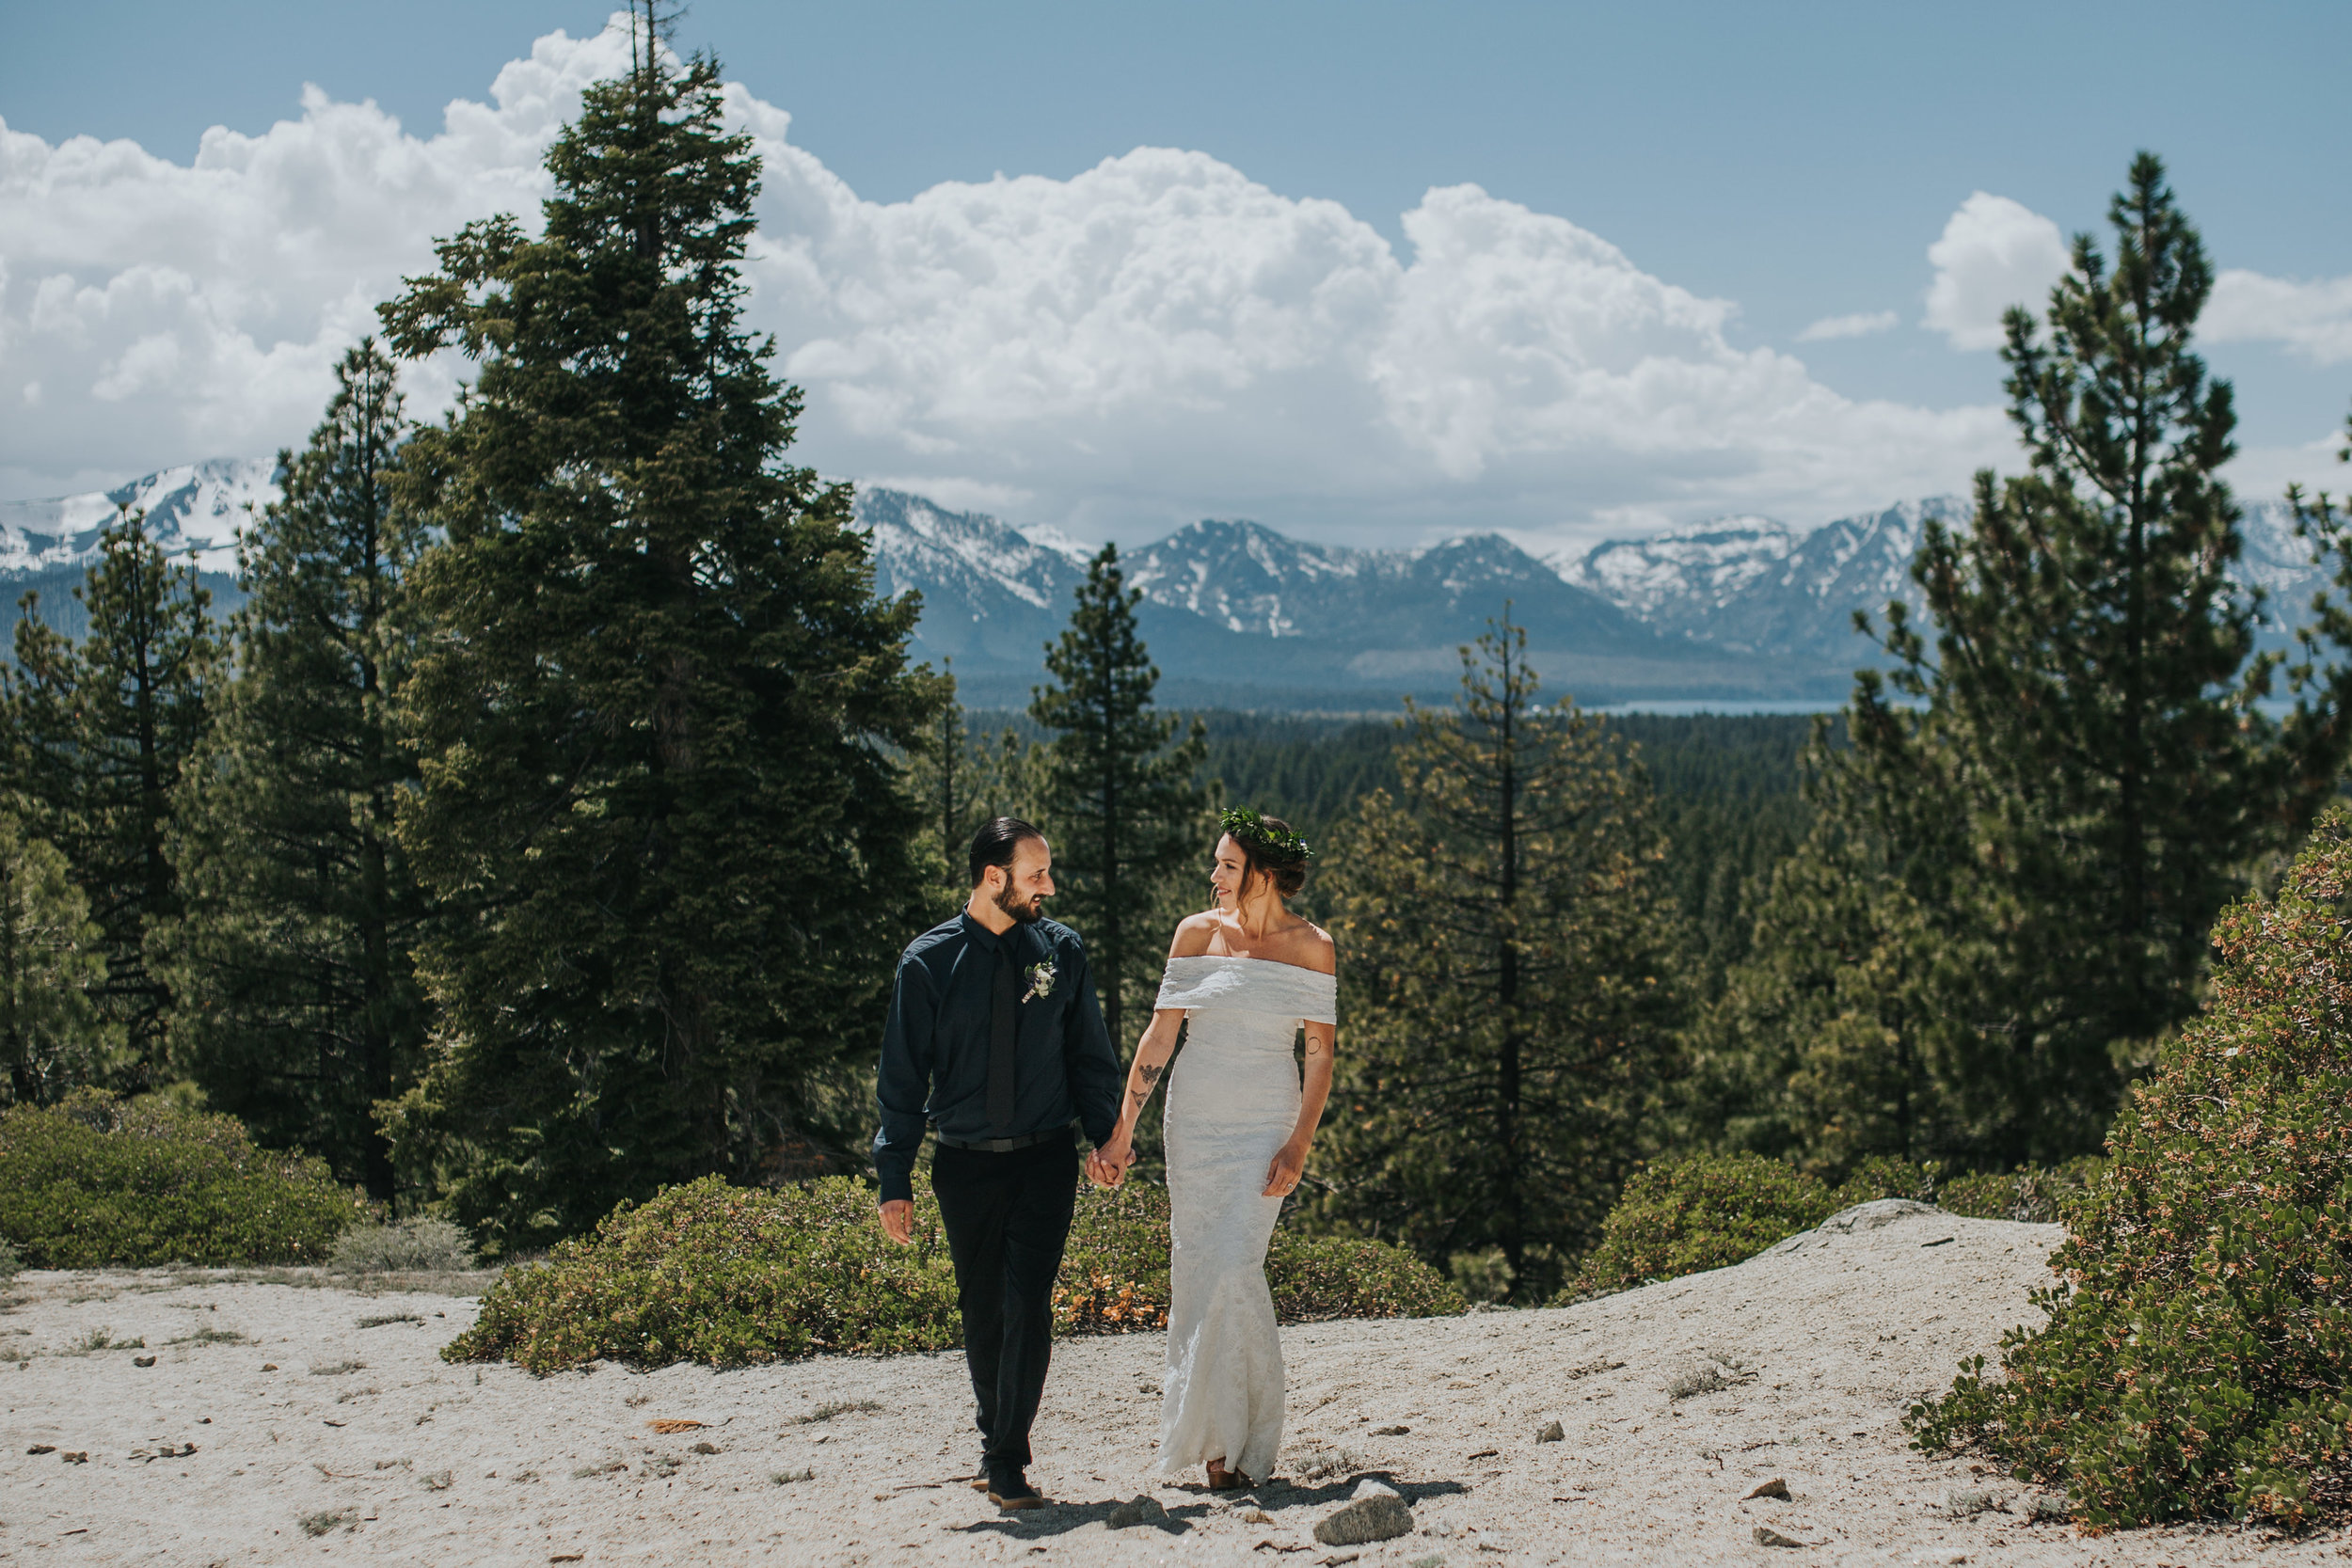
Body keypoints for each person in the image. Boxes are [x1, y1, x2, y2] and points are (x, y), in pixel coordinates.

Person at [872, 817, 1125, 1511]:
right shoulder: (927, 961)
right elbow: (900, 1081)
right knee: (981, 1309)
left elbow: (1090, 1058)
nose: (1049, 885)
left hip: (1046, 1160)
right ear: (994, 878)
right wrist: (895, 1179)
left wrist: (1106, 1136)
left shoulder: (1062, 952)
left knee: (1028, 1303)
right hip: (963, 1166)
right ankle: (994, 1439)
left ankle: (1008, 1458)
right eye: (1036, 874)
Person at [1091, 806, 1337, 1490]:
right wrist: (1122, 1127)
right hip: (1194, 1123)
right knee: (1199, 1272)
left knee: (1235, 1264)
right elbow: (1160, 1036)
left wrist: (1299, 1144)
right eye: (1218, 863)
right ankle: (1215, 1444)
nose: (1215, 875)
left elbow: (1319, 1056)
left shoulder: (1313, 945)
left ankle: (1246, 1436)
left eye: (1228, 864)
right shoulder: (1196, 935)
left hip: (1266, 1123)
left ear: (1263, 871)